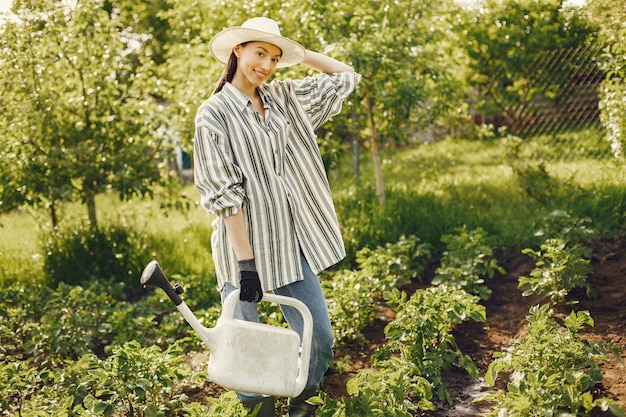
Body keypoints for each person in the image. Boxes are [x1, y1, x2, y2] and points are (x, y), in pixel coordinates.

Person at [193, 16, 361, 417]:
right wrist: (246, 266)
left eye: (273, 57)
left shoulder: (285, 98)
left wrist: (298, 56)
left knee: (320, 335)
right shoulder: (212, 114)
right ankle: (258, 410)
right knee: (242, 343)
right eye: (258, 53)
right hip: (242, 252)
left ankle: (303, 401)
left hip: (289, 242)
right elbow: (224, 197)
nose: (265, 65)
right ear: (237, 51)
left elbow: (346, 76)